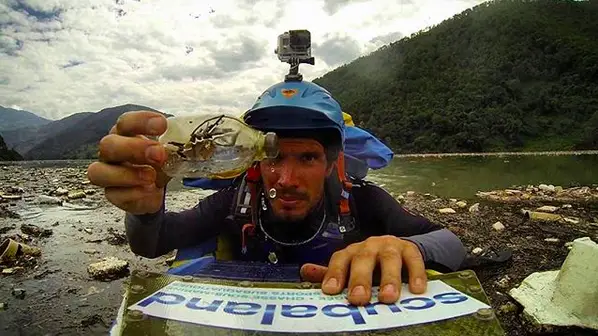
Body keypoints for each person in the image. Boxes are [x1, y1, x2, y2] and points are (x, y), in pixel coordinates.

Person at [87, 80, 467, 306]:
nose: (285, 178)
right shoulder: (238, 200)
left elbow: (451, 243)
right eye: (273, 158)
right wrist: (145, 206)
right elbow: (153, 243)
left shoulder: (361, 201)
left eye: (307, 157)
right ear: (255, 160)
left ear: (332, 163)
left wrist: (407, 248)